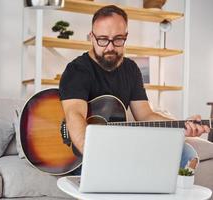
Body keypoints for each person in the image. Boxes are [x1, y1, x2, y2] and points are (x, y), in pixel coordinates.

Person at [59, 5, 210, 174]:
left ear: (126, 37)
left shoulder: (131, 69)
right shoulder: (77, 70)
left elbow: (145, 115)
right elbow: (74, 115)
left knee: (186, 153)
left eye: (117, 39)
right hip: (85, 150)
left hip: (120, 144)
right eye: (102, 39)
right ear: (91, 37)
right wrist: (94, 155)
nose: (110, 47)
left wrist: (181, 126)